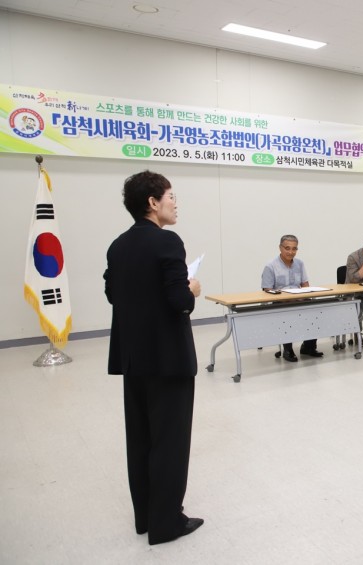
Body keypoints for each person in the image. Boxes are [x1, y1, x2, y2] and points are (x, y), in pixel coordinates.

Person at [104, 170, 204, 544]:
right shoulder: (167, 241)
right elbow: (179, 301)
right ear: (152, 202)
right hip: (168, 360)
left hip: (133, 359)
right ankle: (167, 523)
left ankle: (145, 517)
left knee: (141, 439)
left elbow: (113, 293)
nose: (175, 203)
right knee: (170, 442)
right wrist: (192, 287)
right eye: (171, 196)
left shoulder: (118, 246)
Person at [261, 234, 323, 362]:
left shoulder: (299, 264)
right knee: (287, 313)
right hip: (281, 302)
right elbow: (267, 290)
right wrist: (284, 297)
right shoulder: (270, 266)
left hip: (298, 299)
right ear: (280, 248)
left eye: (294, 249)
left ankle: (308, 347)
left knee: (315, 309)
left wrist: (306, 295)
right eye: (287, 248)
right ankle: (287, 349)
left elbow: (305, 284)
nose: (291, 252)